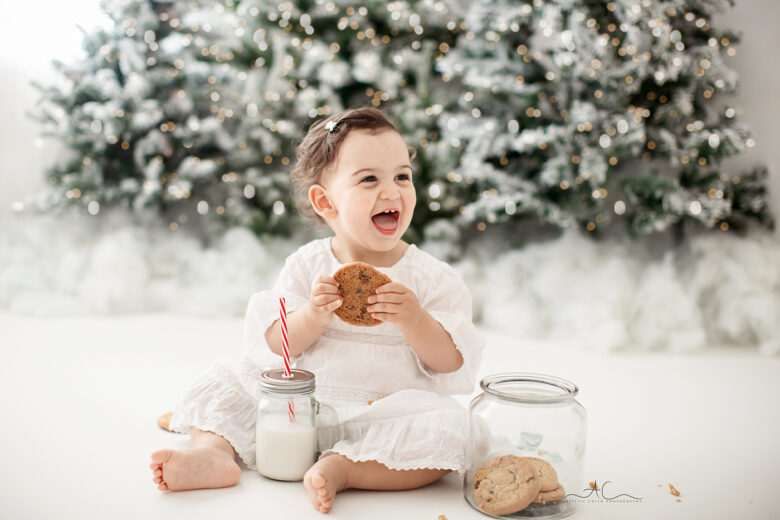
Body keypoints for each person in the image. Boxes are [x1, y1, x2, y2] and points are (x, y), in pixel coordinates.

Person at [150, 106, 484, 514]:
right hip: (297, 406)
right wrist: (312, 317)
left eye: (402, 176)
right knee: (224, 379)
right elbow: (275, 344)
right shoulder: (308, 266)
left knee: (453, 429)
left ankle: (345, 470)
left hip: (384, 413)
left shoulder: (430, 278)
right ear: (326, 202)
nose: (392, 191)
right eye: (369, 179)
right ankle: (214, 454)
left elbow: (450, 362)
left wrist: (415, 321)